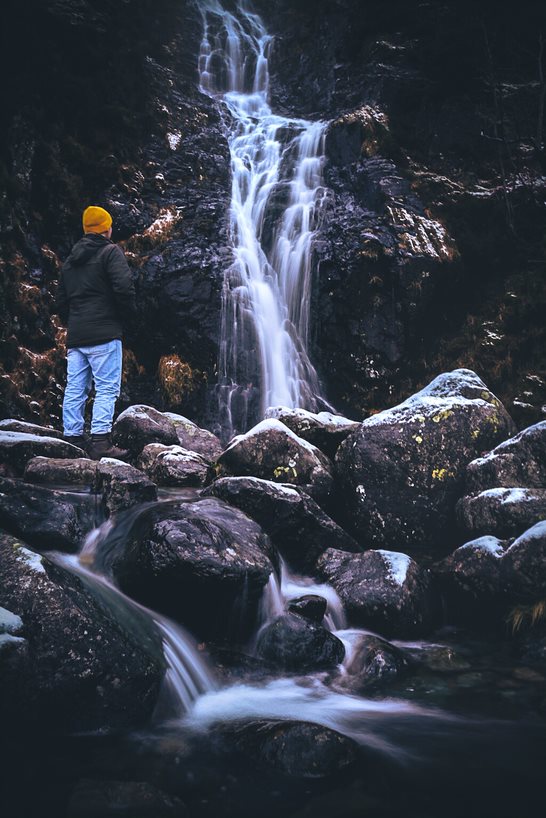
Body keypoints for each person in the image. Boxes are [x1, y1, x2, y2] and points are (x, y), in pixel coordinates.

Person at [55, 205, 136, 460]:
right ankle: (101, 441)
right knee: (106, 388)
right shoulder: (110, 252)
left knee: (75, 387)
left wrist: (75, 320)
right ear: (106, 229)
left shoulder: (70, 261)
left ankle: (72, 437)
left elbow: (60, 301)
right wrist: (126, 317)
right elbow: (124, 288)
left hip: (77, 336)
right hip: (104, 332)